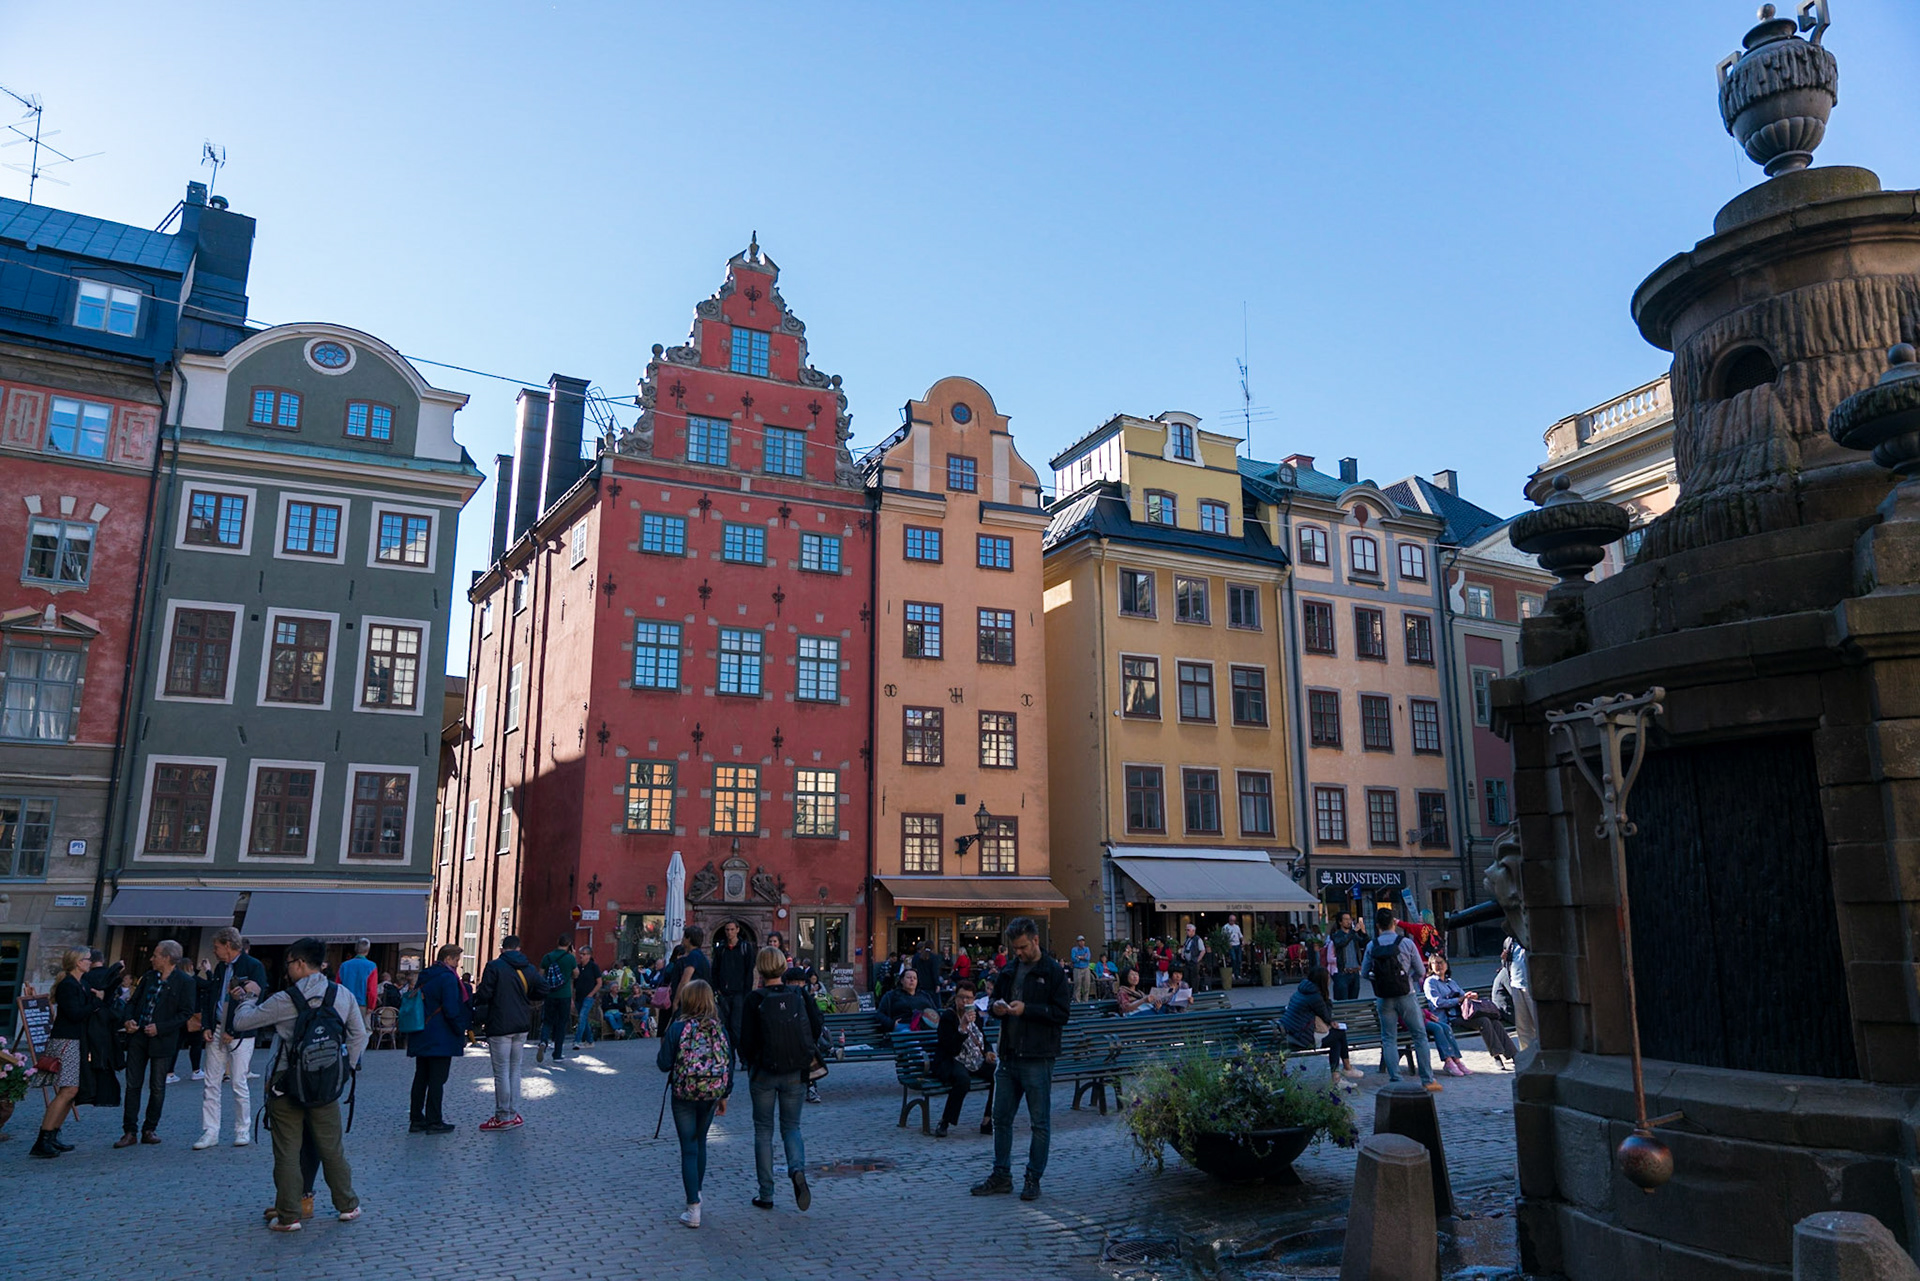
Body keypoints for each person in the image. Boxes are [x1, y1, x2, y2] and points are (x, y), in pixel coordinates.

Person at [231, 936, 368, 1232]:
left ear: (301, 963)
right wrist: (344, 1068)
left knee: (287, 1151)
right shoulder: (341, 994)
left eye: (290, 962)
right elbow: (359, 1034)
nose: (288, 968)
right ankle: (348, 1205)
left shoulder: (286, 998)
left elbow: (243, 1022)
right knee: (331, 1148)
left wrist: (247, 998)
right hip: (326, 1085)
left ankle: (289, 1215)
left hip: (286, 1084)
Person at [971, 917, 1071, 1202]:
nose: (1019, 952)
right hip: (1009, 1055)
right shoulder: (1010, 969)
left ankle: (1033, 1177)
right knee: (1001, 1118)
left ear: (1036, 940)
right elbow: (994, 1000)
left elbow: (1062, 1013)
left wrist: (1027, 1009)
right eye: (1015, 948)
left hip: (1038, 1057)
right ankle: (1001, 1174)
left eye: (1023, 947)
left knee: (1039, 1122)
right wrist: (997, 1008)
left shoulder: (1052, 971)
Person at [738, 950, 821, 1211]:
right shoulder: (798, 994)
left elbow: (745, 1039)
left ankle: (766, 1193)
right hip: (795, 1071)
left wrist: (751, 1060)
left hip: (763, 1073)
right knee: (792, 1127)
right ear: (783, 968)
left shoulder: (754, 999)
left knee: (764, 1131)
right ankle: (797, 1169)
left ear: (760, 969)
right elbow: (817, 1025)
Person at [657, 979, 732, 1228]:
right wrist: (724, 1095)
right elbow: (729, 1063)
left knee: (688, 1147)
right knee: (700, 1143)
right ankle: (697, 1192)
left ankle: (693, 1207)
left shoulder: (678, 1028)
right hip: (711, 1094)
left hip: (684, 1094)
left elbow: (663, 1063)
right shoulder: (719, 1029)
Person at [116, 939, 196, 1147]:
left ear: (167, 958)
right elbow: (133, 1002)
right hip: (138, 1036)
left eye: (156, 955)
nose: (151, 958)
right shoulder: (149, 977)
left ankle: (149, 1128)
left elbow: (185, 1013)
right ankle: (129, 1130)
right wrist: (128, 1019)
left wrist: (160, 1027)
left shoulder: (185, 982)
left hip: (162, 1040)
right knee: (133, 1084)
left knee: (157, 1086)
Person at [194, 926, 268, 1151]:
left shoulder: (253, 966)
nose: (214, 951)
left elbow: (256, 1001)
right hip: (217, 1027)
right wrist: (207, 1025)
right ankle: (210, 1131)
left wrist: (234, 1030)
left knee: (238, 1081)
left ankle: (242, 1129)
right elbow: (211, 997)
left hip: (241, 1032)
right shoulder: (220, 967)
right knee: (211, 1082)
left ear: (228, 945)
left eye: (216, 947)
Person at [471, 934, 548, 1130]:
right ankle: (513, 1113)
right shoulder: (528, 968)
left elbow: (485, 994)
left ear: (502, 949)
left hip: (500, 1024)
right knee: (515, 1070)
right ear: (519, 949)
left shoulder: (494, 967)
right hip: (521, 1024)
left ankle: (503, 1115)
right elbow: (543, 989)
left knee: (501, 1072)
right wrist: (526, 996)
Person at [30, 949, 97, 1157]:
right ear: (77, 962)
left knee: (71, 1091)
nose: (90, 962)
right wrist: (95, 1003)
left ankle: (52, 1135)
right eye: (87, 959)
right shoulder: (68, 985)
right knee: (68, 1090)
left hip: (76, 1040)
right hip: (66, 1040)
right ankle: (43, 1139)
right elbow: (75, 1014)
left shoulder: (80, 983)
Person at [1366, 907, 1440, 1093]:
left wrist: (1379, 981)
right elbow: (1421, 971)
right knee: (1419, 1035)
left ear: (1378, 925)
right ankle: (1427, 1079)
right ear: (1394, 923)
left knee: (1389, 1038)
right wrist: (1408, 980)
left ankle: (1396, 1079)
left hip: (1384, 997)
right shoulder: (1406, 943)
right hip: (1406, 995)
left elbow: (1365, 973)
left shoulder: (1372, 945)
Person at [407, 944, 469, 1133]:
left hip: (422, 1031)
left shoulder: (426, 975)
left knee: (421, 1077)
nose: (458, 964)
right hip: (441, 1035)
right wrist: (460, 1030)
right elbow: (451, 1009)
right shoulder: (447, 978)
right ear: (448, 959)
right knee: (437, 1079)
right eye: (456, 960)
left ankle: (416, 1119)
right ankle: (434, 1121)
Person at [1426, 953, 1518, 1070]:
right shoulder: (1430, 982)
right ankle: (1497, 1056)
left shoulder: (1451, 982)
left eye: (1441, 962)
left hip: (1462, 1015)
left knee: (1494, 1022)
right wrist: (1458, 1000)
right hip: (1449, 1018)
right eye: (1436, 963)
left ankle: (1514, 1055)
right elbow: (1437, 1002)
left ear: (1446, 965)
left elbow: (1462, 995)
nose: (1439, 966)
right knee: (1484, 1021)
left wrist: (1470, 996)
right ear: (1431, 966)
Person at [930, 983, 996, 1137]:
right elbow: (951, 1048)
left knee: (998, 1075)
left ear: (974, 999)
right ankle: (945, 1121)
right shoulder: (948, 1017)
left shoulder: (976, 1016)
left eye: (969, 998)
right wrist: (963, 1026)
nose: (965, 1001)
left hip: (974, 1059)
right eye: (961, 997)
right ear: (956, 998)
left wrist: (988, 1052)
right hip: (953, 1060)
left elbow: (983, 1039)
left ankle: (988, 1119)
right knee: (962, 1080)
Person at [1281, 967, 1363, 1082]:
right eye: (1328, 977)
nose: (1330, 980)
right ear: (1322, 980)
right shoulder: (1314, 996)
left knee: (1336, 1039)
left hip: (1293, 1031)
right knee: (1340, 1034)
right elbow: (1326, 1015)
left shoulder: (1302, 990)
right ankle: (1346, 1069)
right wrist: (1327, 999)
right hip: (1303, 1036)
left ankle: (1338, 1077)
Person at [710, 921, 754, 1066]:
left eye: (732, 929)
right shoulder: (721, 949)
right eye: (727, 930)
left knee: (737, 1026)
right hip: (724, 993)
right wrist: (716, 989)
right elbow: (715, 970)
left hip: (740, 993)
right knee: (727, 1025)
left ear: (737, 930)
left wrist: (747, 992)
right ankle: (734, 1057)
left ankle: (740, 1057)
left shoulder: (745, 948)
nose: (729, 932)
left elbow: (749, 971)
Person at [537, 935, 577, 1064]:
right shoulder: (570, 958)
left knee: (547, 1021)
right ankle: (557, 1054)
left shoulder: (547, 957)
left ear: (557, 942)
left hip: (550, 995)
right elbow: (576, 974)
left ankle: (543, 1041)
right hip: (564, 995)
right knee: (561, 1024)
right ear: (569, 945)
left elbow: (540, 975)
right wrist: (573, 957)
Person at [879, 966, 936, 1032]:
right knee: (910, 1037)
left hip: (925, 1027)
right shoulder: (891, 995)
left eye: (915, 978)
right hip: (904, 1026)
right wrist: (892, 1023)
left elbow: (935, 1011)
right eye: (909, 977)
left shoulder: (925, 995)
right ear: (902, 980)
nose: (912, 980)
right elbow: (880, 1014)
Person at [1327, 913, 1366, 1001]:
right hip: (1343, 972)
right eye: (1346, 919)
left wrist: (1364, 932)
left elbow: (1365, 943)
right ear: (1340, 922)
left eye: (1350, 919)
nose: (1349, 921)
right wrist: (1353, 931)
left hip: (1355, 972)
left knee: (1354, 1000)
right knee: (1343, 1001)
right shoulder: (1337, 935)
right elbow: (1341, 943)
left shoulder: (1353, 935)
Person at [572, 944, 603, 1050]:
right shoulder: (578, 967)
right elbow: (574, 982)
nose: (581, 956)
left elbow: (599, 983)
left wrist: (591, 994)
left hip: (588, 997)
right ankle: (590, 1041)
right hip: (578, 996)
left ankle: (577, 1041)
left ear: (589, 955)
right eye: (580, 953)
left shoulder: (594, 967)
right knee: (583, 1019)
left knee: (582, 1017)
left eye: (584, 954)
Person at [1509, 939, 1538, 1052]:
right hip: (1516, 984)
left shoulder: (1530, 938)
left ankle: (1545, 1050)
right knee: (1523, 1026)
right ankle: (1527, 1052)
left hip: (1532, 985)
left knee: (1538, 1022)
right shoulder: (1510, 941)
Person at [337, 939, 377, 1014]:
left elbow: (337, 986)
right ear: (368, 950)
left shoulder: (344, 965)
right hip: (362, 1004)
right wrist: (371, 1006)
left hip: (345, 1003)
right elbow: (372, 989)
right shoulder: (371, 966)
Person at [1181, 924, 1208, 992]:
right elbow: (1184, 946)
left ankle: (1195, 992)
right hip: (1187, 961)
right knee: (1187, 977)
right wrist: (1182, 953)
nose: (1186, 932)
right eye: (1186, 930)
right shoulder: (1187, 938)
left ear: (1193, 931)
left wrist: (1197, 959)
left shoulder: (1198, 939)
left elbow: (1203, 950)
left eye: (1188, 930)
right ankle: (1188, 991)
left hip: (1194, 961)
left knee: (1194, 978)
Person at [1068, 935, 1093, 1002]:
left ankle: (1085, 1000)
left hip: (1086, 968)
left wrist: (1079, 957)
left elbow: (1088, 958)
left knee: (1086, 985)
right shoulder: (1074, 949)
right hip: (1077, 969)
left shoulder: (1087, 949)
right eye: (1080, 941)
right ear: (1077, 942)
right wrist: (1082, 957)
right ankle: (1077, 1000)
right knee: (1077, 985)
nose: (1082, 942)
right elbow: (1073, 959)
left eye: (1083, 941)